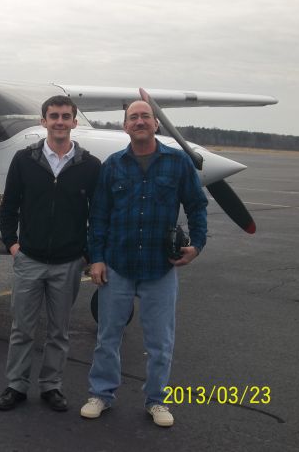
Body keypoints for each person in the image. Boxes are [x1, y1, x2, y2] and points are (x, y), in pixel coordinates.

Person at [80, 100, 208, 427]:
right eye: (133, 117)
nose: (139, 121)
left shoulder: (178, 164)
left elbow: (197, 206)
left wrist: (198, 244)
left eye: (145, 116)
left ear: (156, 124)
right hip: (118, 266)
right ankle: (101, 394)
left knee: (160, 341)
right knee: (108, 337)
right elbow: (98, 216)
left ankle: (157, 400)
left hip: (160, 268)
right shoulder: (112, 166)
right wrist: (96, 258)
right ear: (125, 126)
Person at [0, 95, 101, 412]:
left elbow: (97, 215)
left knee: (59, 331)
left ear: (74, 122)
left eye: (65, 116)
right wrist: (12, 245)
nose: (59, 121)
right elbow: (9, 206)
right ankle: (16, 385)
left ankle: (51, 386)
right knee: (22, 329)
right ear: (43, 121)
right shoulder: (23, 160)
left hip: (68, 263)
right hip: (29, 259)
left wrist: (87, 254)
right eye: (53, 116)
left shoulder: (90, 166)